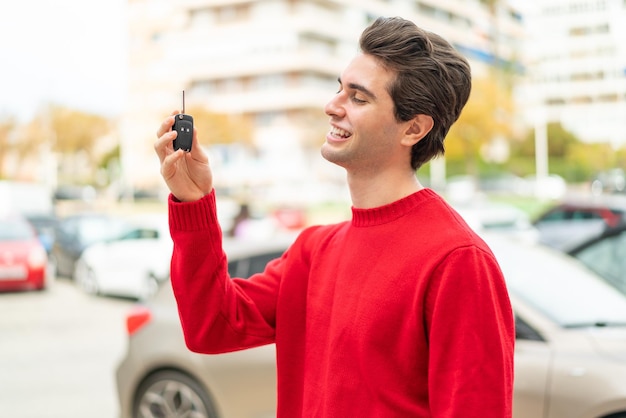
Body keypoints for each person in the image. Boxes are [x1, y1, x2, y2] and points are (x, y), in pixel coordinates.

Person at [154, 16, 515, 418]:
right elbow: (213, 326)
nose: (332, 106)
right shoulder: (314, 250)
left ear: (413, 128)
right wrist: (193, 202)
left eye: (358, 98)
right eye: (339, 89)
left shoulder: (458, 260)